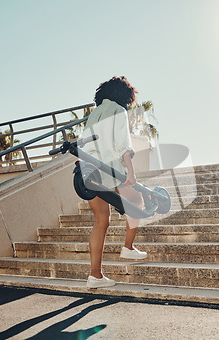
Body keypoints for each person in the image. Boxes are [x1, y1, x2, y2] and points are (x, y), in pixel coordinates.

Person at [82, 76, 147, 289]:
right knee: (137, 202)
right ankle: (128, 247)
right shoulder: (118, 111)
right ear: (122, 96)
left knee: (101, 220)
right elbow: (122, 145)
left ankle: (95, 276)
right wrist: (131, 172)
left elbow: (84, 143)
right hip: (110, 169)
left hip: (87, 170)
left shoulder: (94, 115)